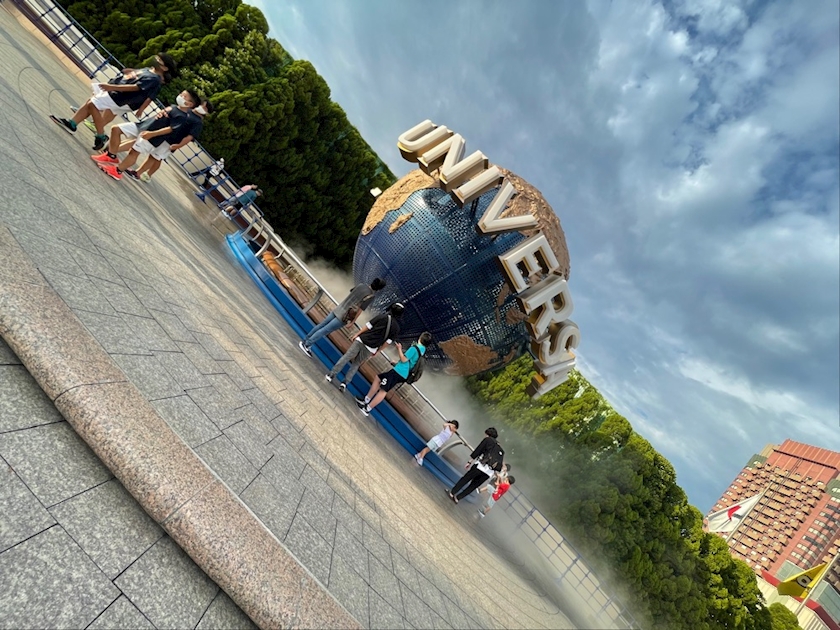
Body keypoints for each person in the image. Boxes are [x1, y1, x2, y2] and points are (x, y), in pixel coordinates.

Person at [51, 53, 175, 150]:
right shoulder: (148, 70)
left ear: (165, 68)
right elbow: (135, 76)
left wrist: (112, 87)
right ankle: (73, 123)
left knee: (92, 104)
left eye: (159, 60)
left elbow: (135, 87)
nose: (156, 60)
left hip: (121, 97)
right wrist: (129, 72)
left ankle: (100, 135)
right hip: (116, 92)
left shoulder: (155, 79)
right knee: (91, 102)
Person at [93, 90, 206, 181]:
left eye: (184, 97)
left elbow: (170, 129)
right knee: (116, 129)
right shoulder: (173, 106)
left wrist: (152, 134)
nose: (180, 96)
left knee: (134, 152)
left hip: (153, 137)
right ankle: (111, 155)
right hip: (143, 126)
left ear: (190, 104)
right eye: (181, 94)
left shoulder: (182, 117)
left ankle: (118, 171)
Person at [325, 302, 403, 392]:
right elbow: (387, 342)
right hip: (371, 348)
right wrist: (378, 351)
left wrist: (357, 334)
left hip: (362, 340)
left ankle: (331, 375)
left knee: (346, 357)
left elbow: (368, 326)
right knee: (356, 364)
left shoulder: (382, 317)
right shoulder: (396, 328)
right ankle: (344, 383)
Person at [299, 278, 386, 357]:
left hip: (339, 308)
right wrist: (352, 322)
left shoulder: (361, 285)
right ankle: (307, 344)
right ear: (379, 288)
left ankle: (305, 340)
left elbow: (351, 292)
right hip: (344, 316)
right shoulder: (370, 296)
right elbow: (360, 310)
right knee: (325, 330)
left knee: (321, 325)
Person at [355, 331, 431, 416]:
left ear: (420, 338)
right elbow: (410, 363)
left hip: (399, 371)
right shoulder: (422, 352)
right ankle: (366, 400)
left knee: (384, 389)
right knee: (378, 378)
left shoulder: (414, 348)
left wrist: (399, 348)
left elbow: (403, 359)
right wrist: (396, 363)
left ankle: (367, 408)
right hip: (403, 373)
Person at [447, 427, 504, 504]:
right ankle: (458, 498)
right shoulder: (500, 449)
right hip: (488, 473)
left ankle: (452, 493)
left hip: (480, 466)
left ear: (488, 434)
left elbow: (478, 450)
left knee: (465, 479)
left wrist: (469, 461)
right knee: (473, 486)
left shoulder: (487, 440)